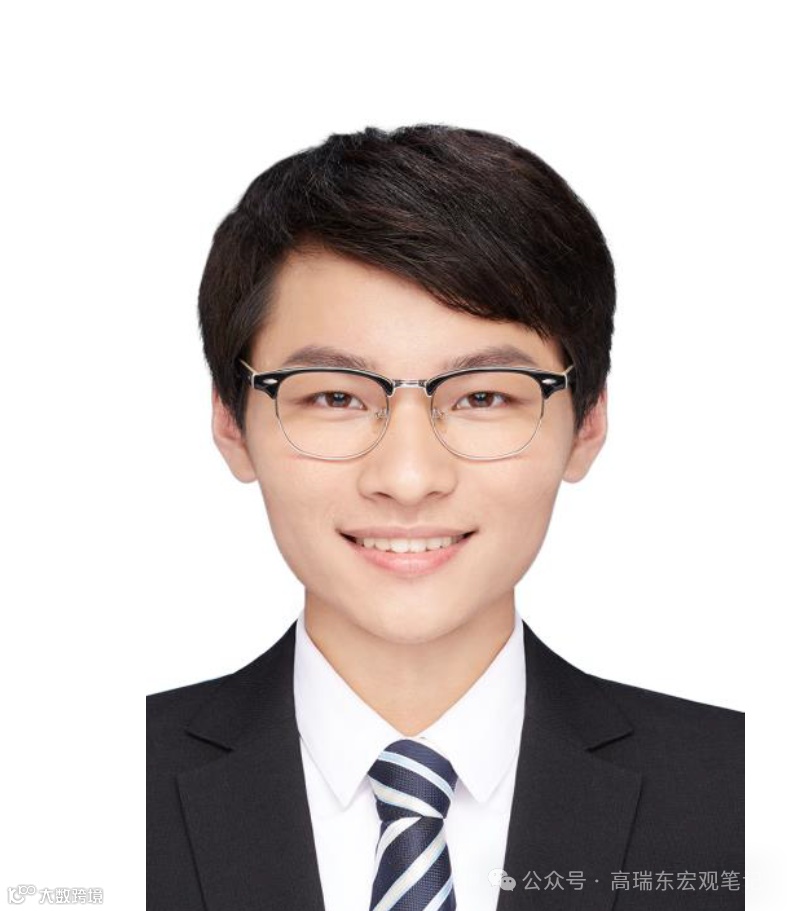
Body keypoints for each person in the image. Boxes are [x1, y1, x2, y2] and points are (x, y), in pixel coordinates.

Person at [146, 125, 744, 911]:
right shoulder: (82, 788)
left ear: (587, 423)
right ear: (231, 423)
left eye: (483, 396)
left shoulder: (740, 794)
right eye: (334, 395)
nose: (408, 478)